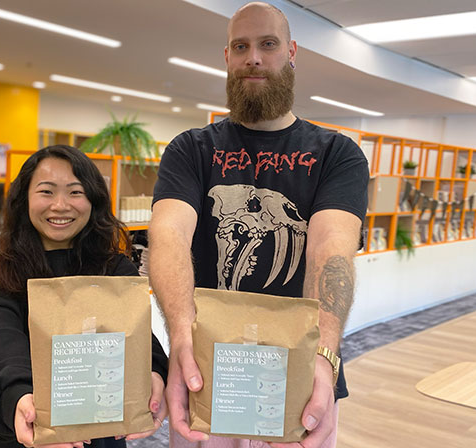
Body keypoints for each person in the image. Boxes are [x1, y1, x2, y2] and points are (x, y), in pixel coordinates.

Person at [148, 3, 368, 448]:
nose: (254, 57)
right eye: (241, 46)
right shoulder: (190, 150)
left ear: (291, 52)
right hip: (207, 373)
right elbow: (169, 236)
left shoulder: (337, 154)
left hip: (301, 371)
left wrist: (323, 358)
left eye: (267, 44)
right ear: (226, 57)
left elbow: (331, 250)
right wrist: (181, 337)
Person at [0, 145, 169, 448]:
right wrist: (18, 395)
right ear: (24, 200)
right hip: (26, 427)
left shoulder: (114, 270)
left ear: (93, 200)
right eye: (46, 192)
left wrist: (154, 370)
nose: (60, 205)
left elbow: (137, 336)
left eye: (75, 192)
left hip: (101, 431)